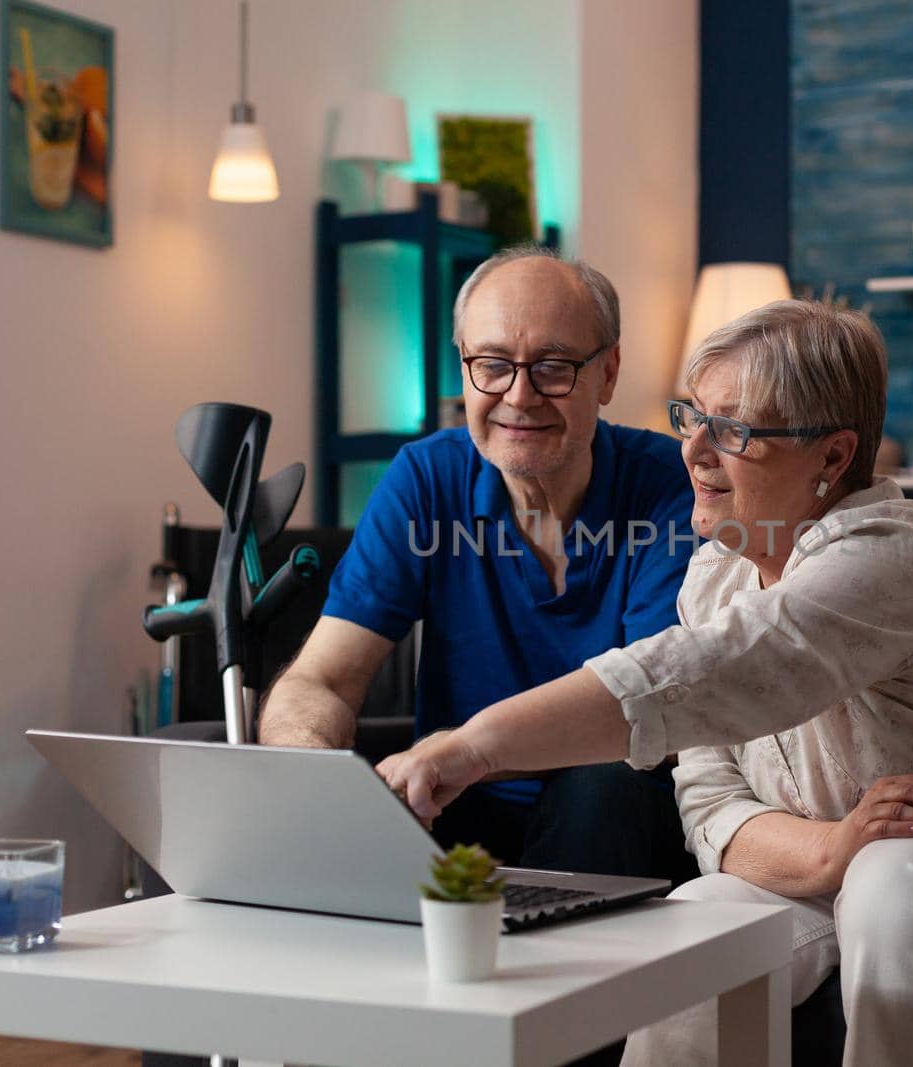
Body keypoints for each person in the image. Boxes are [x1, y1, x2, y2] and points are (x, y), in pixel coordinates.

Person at [379, 299, 913, 1066]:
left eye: (731, 430)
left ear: (834, 454)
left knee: (899, 878)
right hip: (864, 864)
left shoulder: (887, 556)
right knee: (696, 926)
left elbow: (706, 677)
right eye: (691, 418)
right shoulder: (716, 576)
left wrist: (471, 747)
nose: (694, 453)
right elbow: (708, 800)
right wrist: (833, 847)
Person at [259, 247, 698, 886]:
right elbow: (322, 679)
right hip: (458, 813)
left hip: (620, 820)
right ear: (464, 370)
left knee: (607, 785)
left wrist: (469, 751)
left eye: (552, 367)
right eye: (491, 365)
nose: (518, 397)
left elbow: (644, 704)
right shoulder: (426, 477)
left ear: (607, 375)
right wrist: (314, 777)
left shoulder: (672, 488)